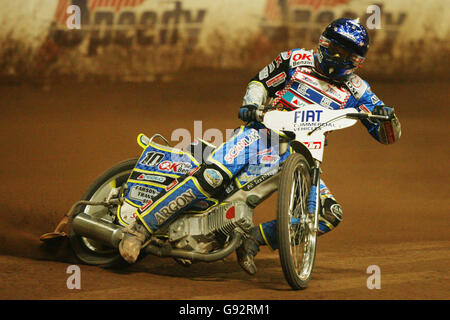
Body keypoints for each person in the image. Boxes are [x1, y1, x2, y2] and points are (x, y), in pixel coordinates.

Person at [119, 18, 402, 275]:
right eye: (338, 49)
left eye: (349, 54)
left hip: (304, 152)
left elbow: (385, 132)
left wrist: (390, 120)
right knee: (213, 176)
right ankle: (140, 229)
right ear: (325, 43)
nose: (341, 57)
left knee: (329, 213)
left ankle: (254, 238)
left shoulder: (359, 90)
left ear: (358, 60)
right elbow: (260, 82)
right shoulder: (294, 59)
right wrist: (251, 105)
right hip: (262, 133)